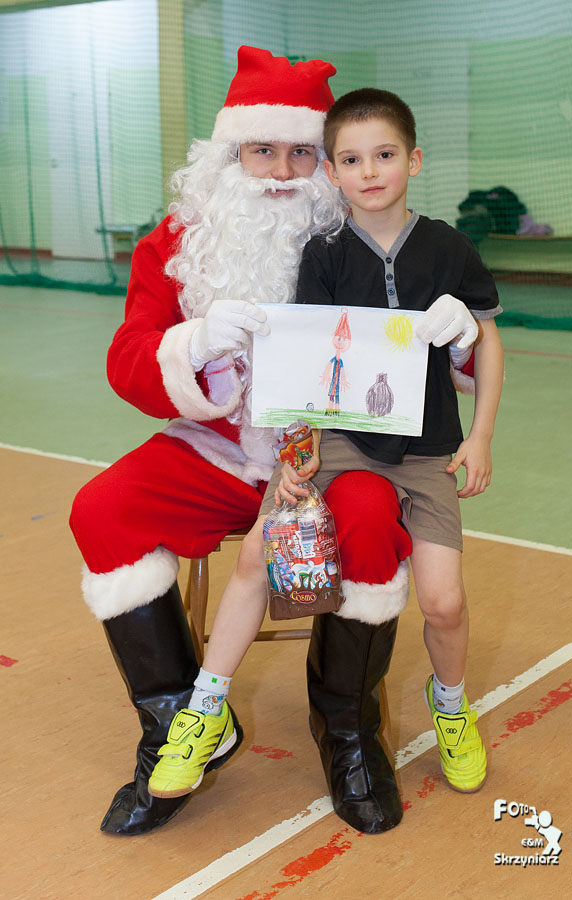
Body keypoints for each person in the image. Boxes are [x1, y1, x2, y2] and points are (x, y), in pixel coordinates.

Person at [145, 88, 501, 834]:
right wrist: (297, 454)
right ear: (332, 174)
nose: (370, 171)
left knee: (444, 602)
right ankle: (202, 712)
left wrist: (480, 435)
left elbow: (488, 344)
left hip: (428, 450)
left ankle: (450, 707)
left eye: (385, 155)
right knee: (259, 557)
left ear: (413, 159)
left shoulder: (450, 249)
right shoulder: (325, 252)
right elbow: (307, 360)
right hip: (338, 442)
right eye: (351, 159)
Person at [69, 45, 345, 836]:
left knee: (366, 521)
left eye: (302, 152)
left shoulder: (354, 237)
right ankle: (182, 723)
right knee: (102, 510)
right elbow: (128, 358)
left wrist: (459, 341)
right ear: (229, 155)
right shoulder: (179, 241)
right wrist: (190, 344)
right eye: (263, 150)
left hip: (329, 460)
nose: (283, 172)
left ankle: (349, 733)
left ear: (326, 161)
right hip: (216, 450)